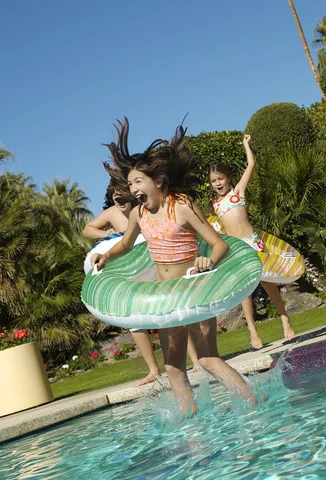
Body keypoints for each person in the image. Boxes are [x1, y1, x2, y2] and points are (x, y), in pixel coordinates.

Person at [92, 118, 257, 413]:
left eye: (138, 181)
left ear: (158, 182)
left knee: (207, 359)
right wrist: (107, 256)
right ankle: (189, 420)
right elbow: (127, 244)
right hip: (166, 296)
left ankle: (252, 403)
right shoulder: (139, 215)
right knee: (173, 366)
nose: (133, 188)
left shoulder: (181, 206)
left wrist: (208, 261)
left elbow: (219, 243)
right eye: (130, 184)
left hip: (194, 291)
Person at [83, 179, 201, 380]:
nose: (119, 197)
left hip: (150, 265)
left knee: (173, 313)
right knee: (136, 320)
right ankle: (154, 370)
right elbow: (89, 230)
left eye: (123, 192)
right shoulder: (115, 213)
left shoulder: (143, 211)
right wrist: (107, 235)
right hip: (129, 272)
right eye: (115, 194)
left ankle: (196, 360)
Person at [209, 134, 295, 350]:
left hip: (252, 242)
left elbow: (251, 164)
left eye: (220, 178)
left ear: (228, 178)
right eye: (213, 180)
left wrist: (246, 145)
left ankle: (284, 318)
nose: (217, 183)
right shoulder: (215, 206)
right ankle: (252, 330)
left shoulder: (237, 193)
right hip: (236, 249)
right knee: (245, 290)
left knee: (268, 283)